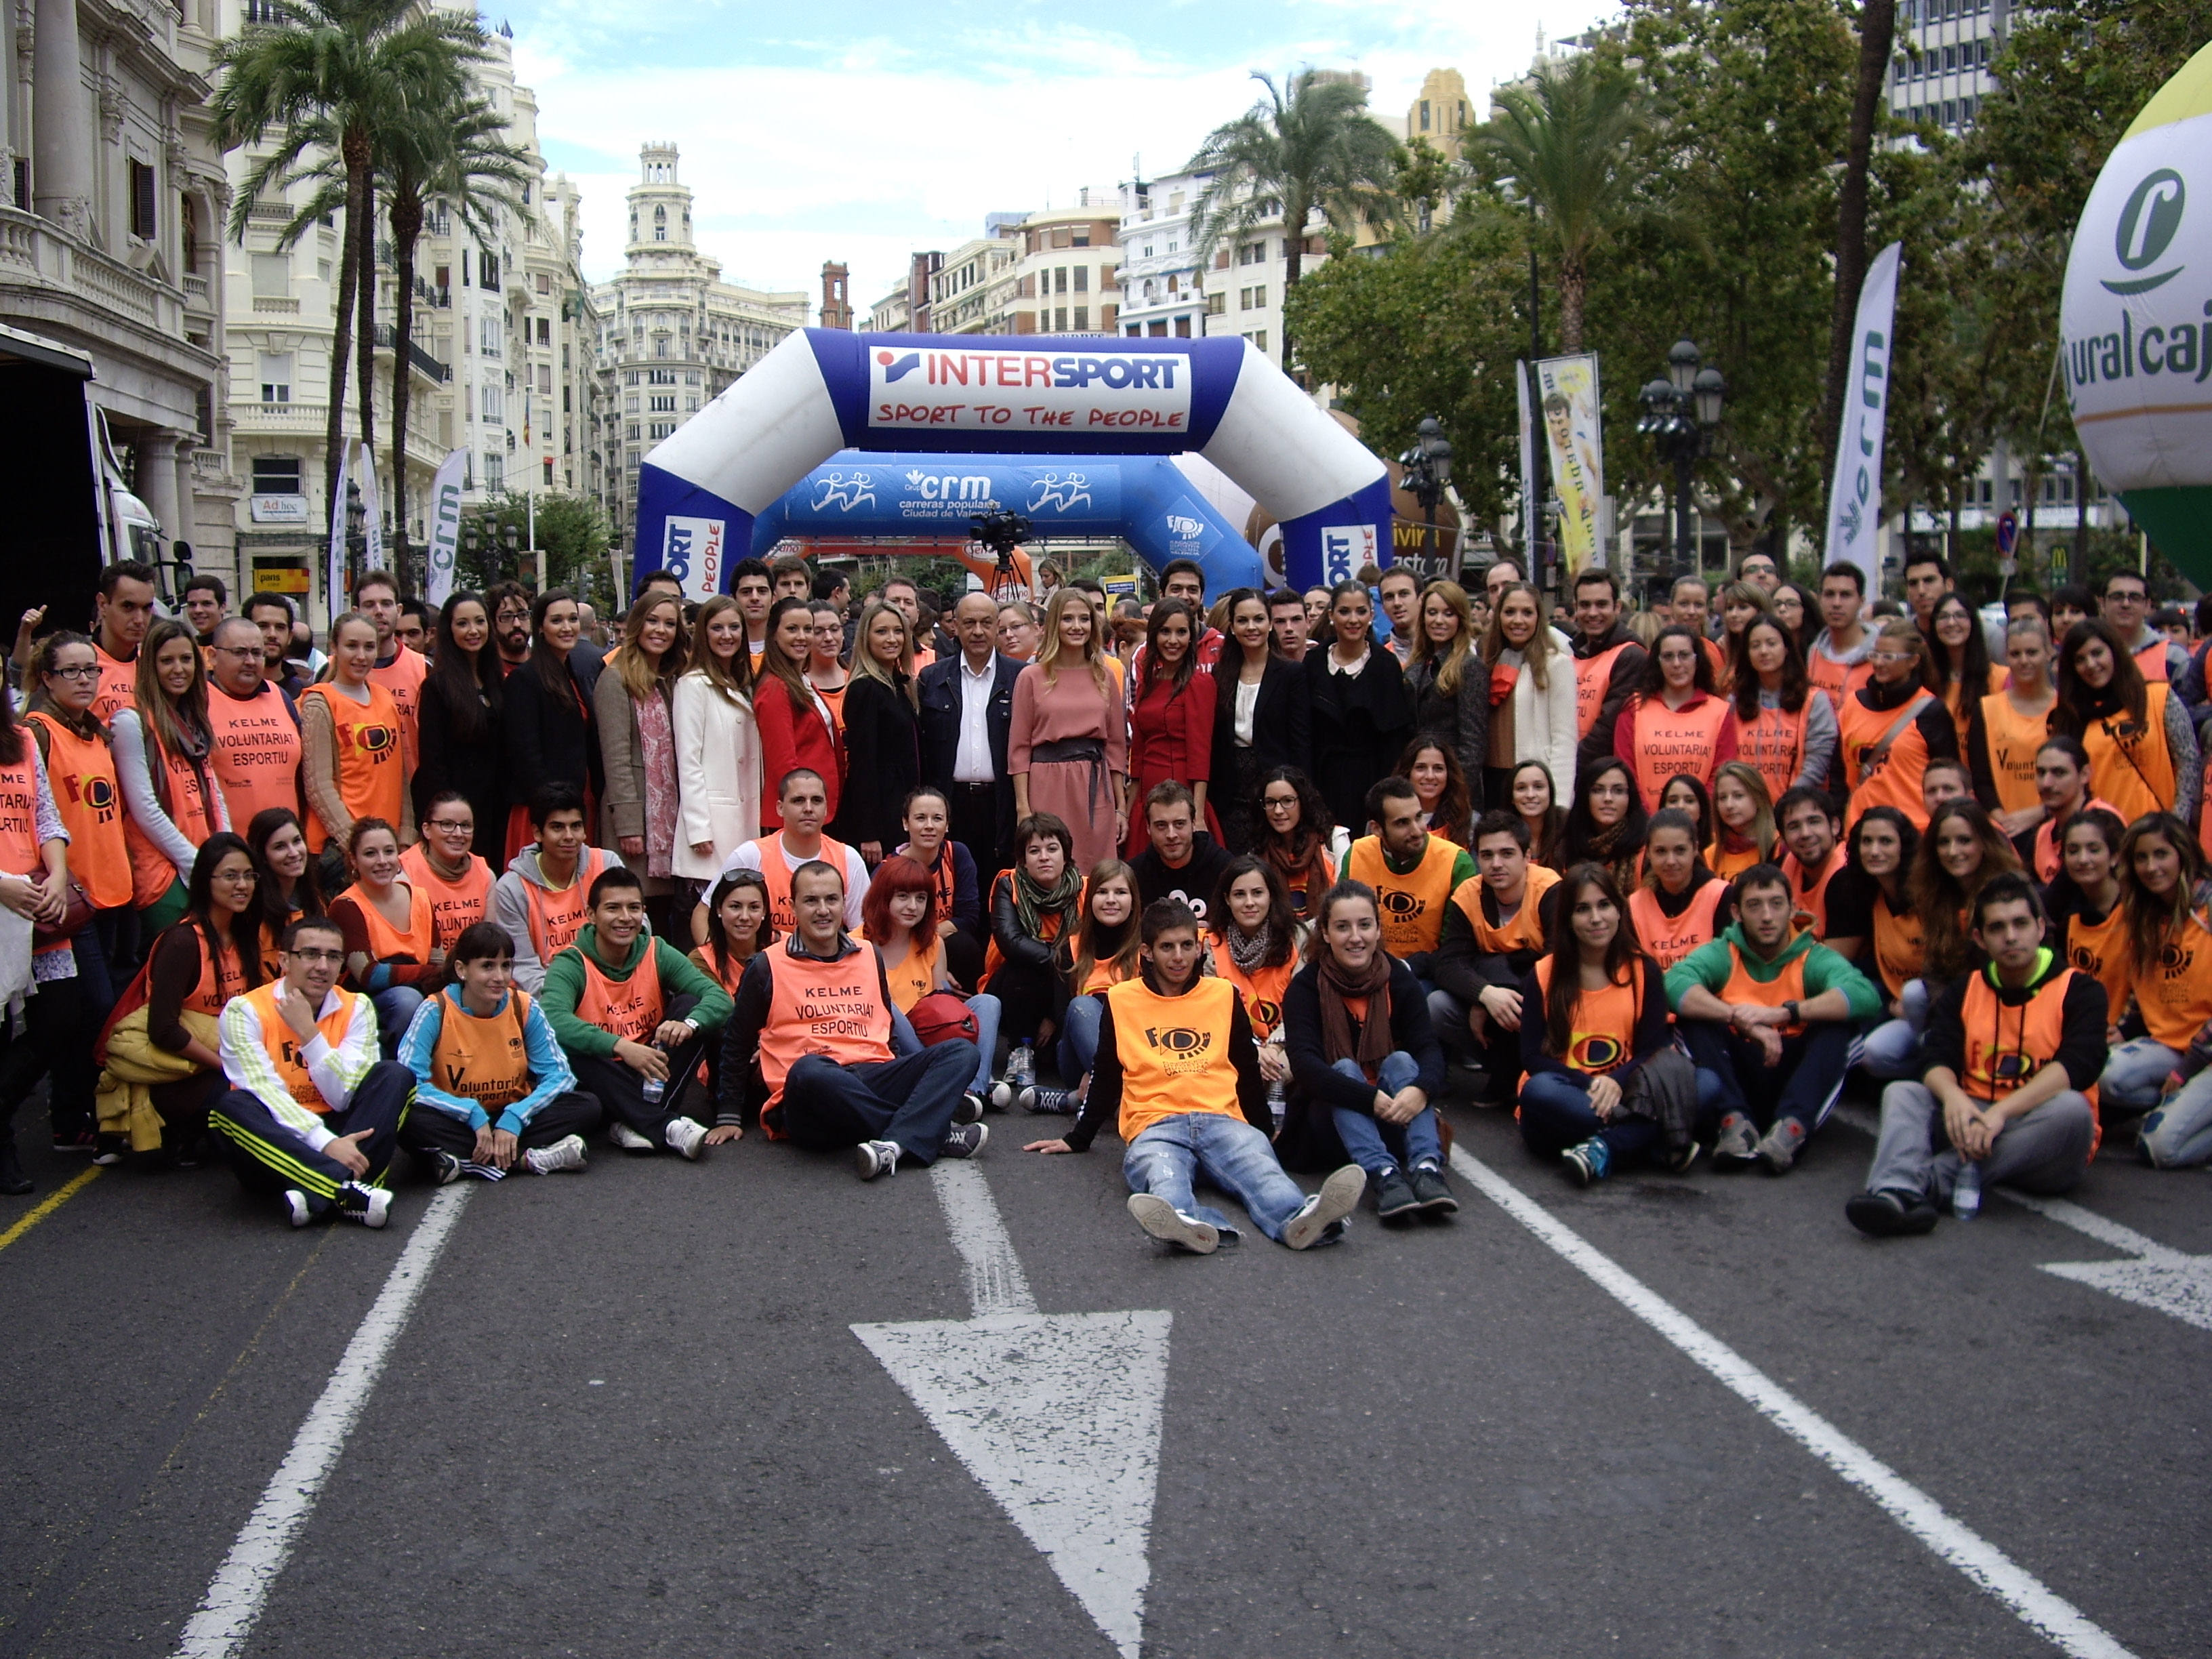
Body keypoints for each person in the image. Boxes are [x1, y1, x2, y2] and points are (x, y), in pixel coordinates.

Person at [1027, 897, 1366, 1252]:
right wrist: (1078, 1138)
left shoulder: (1222, 994)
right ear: (1146, 951)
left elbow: (1246, 1070)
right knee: (1161, 1177)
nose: (1179, 957)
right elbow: (1107, 1074)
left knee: (1262, 1170)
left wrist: (1264, 1132)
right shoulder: (1121, 999)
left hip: (1223, 1119)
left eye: (1187, 945)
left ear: (1199, 945)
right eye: (1167, 947)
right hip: (1154, 1125)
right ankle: (1189, 1224)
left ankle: (1301, 1219)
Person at [1847, 874, 2102, 1233]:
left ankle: (1928, 1184)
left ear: (2041, 928)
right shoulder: (1966, 989)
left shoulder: (2080, 989)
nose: (2010, 936)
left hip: (2041, 1135)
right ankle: (1895, 1191)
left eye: (2020, 924)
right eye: (1997, 928)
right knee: (1904, 1092)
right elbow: (1934, 1057)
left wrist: (2000, 1114)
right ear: (1980, 939)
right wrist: (1953, 1099)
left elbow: (2079, 1065)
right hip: (1973, 1117)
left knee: (2073, 1110)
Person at [722, 858, 984, 1176]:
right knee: (810, 1071)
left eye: (832, 900)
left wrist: (901, 1071)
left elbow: (886, 1028)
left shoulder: (868, 954)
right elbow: (737, 1039)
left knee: (961, 1052)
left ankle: (898, 1139)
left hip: (872, 1076)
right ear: (792, 907)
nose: (823, 910)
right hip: (812, 1095)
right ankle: (929, 1132)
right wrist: (728, 1115)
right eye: (811, 901)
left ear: (845, 903)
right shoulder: (766, 965)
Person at [1668, 863, 1881, 1172]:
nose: (1767, 916)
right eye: (1754, 906)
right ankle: (1733, 1122)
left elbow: (1865, 996)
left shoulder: (1812, 956)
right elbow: (1675, 984)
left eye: (1776, 904)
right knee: (1693, 1020)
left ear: (1793, 908)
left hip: (1795, 1075)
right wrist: (1737, 1018)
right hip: (1741, 1072)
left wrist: (1785, 1012)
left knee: (1842, 1026)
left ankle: (1791, 1128)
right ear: (1737, 913)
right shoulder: (1724, 951)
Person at [209, 915, 414, 1228]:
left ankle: (318, 1195)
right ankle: (348, 1188)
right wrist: (324, 1144)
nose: (322, 966)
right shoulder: (244, 1011)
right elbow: (265, 1092)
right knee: (230, 1107)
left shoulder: (357, 1006)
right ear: (284, 961)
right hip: (277, 1146)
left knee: (395, 1075)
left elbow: (344, 1096)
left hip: (340, 1130)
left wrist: (309, 1034)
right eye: (310, 954)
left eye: (333, 957)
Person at [1278, 880, 1452, 1219]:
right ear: (1325, 934)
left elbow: (1429, 1049)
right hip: (1330, 1123)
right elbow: (1305, 1066)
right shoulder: (1305, 987)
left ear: (1377, 930)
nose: (1355, 937)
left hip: (1395, 1114)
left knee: (1403, 1061)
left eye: (1364, 925)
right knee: (1342, 1068)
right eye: (1342, 927)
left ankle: (1427, 1167)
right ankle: (1384, 1176)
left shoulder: (1399, 979)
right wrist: (1365, 1098)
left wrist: (1420, 1090)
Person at [1520, 862, 1694, 1185]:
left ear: (1619, 911)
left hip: (1630, 1092)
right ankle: (1651, 1139)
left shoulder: (1645, 970)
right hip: (1571, 1097)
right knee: (1537, 1091)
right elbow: (1531, 1056)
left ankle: (1607, 1147)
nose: (1596, 918)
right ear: (1568, 920)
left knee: (1706, 1084)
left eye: (1604, 906)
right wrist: (1590, 1084)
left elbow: (1654, 1048)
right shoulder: (1543, 973)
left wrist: (1616, 1081)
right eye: (1583, 909)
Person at [540, 865, 729, 1160]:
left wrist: (690, 1024)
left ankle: (632, 1120)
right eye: (613, 908)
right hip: (603, 1072)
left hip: (650, 1072)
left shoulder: (655, 949)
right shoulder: (571, 962)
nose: (625, 918)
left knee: (691, 1007)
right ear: (591, 914)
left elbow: (718, 998)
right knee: (571, 1047)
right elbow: (551, 1020)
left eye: (633, 908)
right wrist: (619, 1046)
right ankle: (662, 1125)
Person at [100, 835, 265, 1166]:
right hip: (177, 1074)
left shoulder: (246, 935)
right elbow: (163, 1030)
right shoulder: (183, 942)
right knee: (258, 1106)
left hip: (223, 1062)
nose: (243, 885)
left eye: (249, 876)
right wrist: (229, 1068)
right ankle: (181, 1130)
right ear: (205, 881)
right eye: (231, 876)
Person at [396, 920, 600, 1181]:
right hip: (458, 1118)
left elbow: (560, 1075)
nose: (500, 977)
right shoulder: (435, 1010)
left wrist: (516, 1117)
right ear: (462, 969)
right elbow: (410, 1082)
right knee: (405, 1117)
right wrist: (468, 1111)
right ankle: (527, 1160)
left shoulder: (524, 1006)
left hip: (513, 1115)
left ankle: (463, 1162)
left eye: (506, 966)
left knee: (588, 1106)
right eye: (487, 966)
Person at [26, 632, 134, 1052]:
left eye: (91, 669)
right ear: (47, 679)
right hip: (70, 899)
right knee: (87, 1011)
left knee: (98, 1012)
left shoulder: (96, 733)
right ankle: (69, 1111)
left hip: (114, 894)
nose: (85, 679)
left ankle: (85, 1106)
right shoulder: (36, 733)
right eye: (71, 671)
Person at [1431, 811, 1563, 1099]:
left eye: (1507, 853)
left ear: (1527, 856)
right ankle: (1503, 1071)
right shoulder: (1469, 894)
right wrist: (1485, 995)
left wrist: (1505, 990)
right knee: (1437, 1005)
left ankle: (1531, 1073)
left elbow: (1560, 961)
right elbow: (1449, 963)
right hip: (1496, 1001)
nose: (1496, 864)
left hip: (1541, 999)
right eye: (1487, 855)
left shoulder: (1550, 889)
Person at [2095, 812, 2212, 1128]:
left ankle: (2182, 1114)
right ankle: (2179, 1108)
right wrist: (2123, 1030)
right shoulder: (2143, 914)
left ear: (2183, 855)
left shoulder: (2207, 908)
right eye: (2141, 858)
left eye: (2161, 854)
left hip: (2206, 1051)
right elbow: (2144, 987)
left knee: (2161, 1150)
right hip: (2169, 1045)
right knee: (2101, 1074)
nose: (2151, 867)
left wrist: (2186, 1071)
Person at [113, 617, 230, 931]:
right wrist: (195, 863)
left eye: (186, 659)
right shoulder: (130, 721)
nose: (178, 669)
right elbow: (144, 808)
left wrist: (225, 851)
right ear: (150, 666)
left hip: (204, 863)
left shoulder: (193, 719)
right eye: (166, 661)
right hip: (165, 873)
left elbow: (213, 791)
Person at [863, 853, 1002, 1110]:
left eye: (921, 898)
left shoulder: (933, 943)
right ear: (883, 898)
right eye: (902, 896)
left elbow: (941, 1006)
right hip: (890, 1048)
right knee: (889, 1006)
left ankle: (974, 1092)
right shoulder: (858, 944)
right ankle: (949, 1086)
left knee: (988, 1002)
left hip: (927, 1037)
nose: (912, 906)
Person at [1004, 857, 1142, 1115]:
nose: (1111, 899)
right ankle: (1119, 1090)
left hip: (1132, 1053)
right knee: (1081, 1006)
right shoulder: (1071, 945)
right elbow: (1061, 1012)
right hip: (1076, 1055)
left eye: (1120, 892)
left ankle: (1073, 1100)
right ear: (1089, 900)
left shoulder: (1145, 948)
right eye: (1102, 892)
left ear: (1133, 901)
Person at [1009, 588, 1128, 878]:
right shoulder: (1031, 677)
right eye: (1068, 619)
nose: (1077, 627)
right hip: (1046, 785)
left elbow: (1115, 746)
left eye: (1084, 619)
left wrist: (1121, 808)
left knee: (1096, 872)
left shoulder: (1105, 675)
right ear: (1054, 625)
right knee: (1048, 869)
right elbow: (1019, 749)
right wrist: (1023, 809)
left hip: (1095, 788)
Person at [592, 588, 687, 933]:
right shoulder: (614, 679)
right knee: (634, 911)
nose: (660, 630)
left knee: (666, 914)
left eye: (669, 624)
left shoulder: (674, 679)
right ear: (637, 625)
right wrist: (629, 825)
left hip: (671, 816)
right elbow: (615, 757)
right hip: (635, 815)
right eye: (652, 621)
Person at [2053, 617, 2198, 831]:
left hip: (2162, 835)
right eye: (2080, 659)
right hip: (2105, 844)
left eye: (2097, 653)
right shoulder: (2069, 717)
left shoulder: (2158, 697)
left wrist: (2178, 823)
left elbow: (2188, 761)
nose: (2091, 665)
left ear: (2115, 652)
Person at [919, 590, 1024, 884]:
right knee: (953, 885)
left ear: (997, 625)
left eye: (986, 623)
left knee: (1000, 885)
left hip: (1002, 803)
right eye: (969, 623)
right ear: (955, 626)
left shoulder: (1022, 677)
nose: (978, 631)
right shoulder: (932, 678)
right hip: (951, 803)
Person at [671, 594, 762, 915]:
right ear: (703, 634)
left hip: (745, 819)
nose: (727, 636)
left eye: (734, 627)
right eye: (717, 628)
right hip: (712, 826)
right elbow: (688, 760)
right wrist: (698, 829)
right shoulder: (693, 685)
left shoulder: (744, 684)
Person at [299, 610, 407, 878]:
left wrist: (406, 833)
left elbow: (399, 774)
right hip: (340, 849)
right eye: (352, 646)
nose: (361, 656)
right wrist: (356, 845)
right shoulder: (319, 703)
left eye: (369, 647)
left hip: (386, 845)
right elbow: (318, 786)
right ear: (334, 647)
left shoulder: (384, 697)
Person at [1343, 773, 1475, 990]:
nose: (1417, 830)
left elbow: (1457, 949)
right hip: (1365, 970)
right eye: (1403, 823)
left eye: (1419, 817)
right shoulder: (1357, 854)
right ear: (1377, 829)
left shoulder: (1456, 862)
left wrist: (1406, 967)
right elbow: (1343, 926)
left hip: (1431, 976)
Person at [1306, 579, 1413, 837]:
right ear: (1331, 616)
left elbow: (1396, 738)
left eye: (1361, 611)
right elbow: (1304, 731)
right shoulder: (1313, 662)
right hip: (1322, 778)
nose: (1353, 620)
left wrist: (1385, 793)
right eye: (1344, 612)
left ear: (1372, 615)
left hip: (1371, 780)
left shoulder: (1386, 666)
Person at [493, 785, 625, 993]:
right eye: (557, 828)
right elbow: (523, 967)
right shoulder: (511, 888)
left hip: (613, 984)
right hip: (551, 997)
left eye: (576, 826)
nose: (569, 836)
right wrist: (569, 999)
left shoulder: (606, 864)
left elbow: (638, 928)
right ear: (537, 832)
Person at [501, 590, 602, 857]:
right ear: (541, 628)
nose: (567, 627)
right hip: (543, 810)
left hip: (579, 801)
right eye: (557, 621)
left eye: (573, 619)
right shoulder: (525, 680)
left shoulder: (575, 674)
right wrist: (551, 810)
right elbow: (525, 755)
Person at [326, 817, 437, 1060]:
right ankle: (400, 1073)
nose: (382, 861)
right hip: (366, 1000)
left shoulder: (420, 897)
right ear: (354, 860)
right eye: (370, 854)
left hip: (420, 987)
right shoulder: (346, 907)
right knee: (407, 1000)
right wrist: (428, 974)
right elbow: (369, 975)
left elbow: (439, 962)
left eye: (389, 851)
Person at [984, 812, 1085, 1073]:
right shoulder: (1008, 885)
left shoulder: (1088, 890)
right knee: (1026, 964)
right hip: (1011, 988)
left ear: (1066, 855)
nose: (1044, 857)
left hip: (1068, 988)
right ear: (1023, 860)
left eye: (1052, 849)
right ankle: (1020, 1050)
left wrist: (1053, 1016)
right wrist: (1063, 959)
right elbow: (1012, 942)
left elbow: (1091, 956)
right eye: (1034, 851)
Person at [1212, 588, 1311, 854]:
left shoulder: (1291, 673)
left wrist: (1299, 793)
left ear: (1269, 623)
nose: (1251, 627)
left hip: (1274, 783)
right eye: (1242, 621)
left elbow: (1300, 741)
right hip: (1230, 790)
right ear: (1231, 627)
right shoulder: (1220, 673)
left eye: (1259, 619)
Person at [1838, 617, 1957, 830]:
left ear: (1913, 661)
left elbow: (1948, 777)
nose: (1879, 663)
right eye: (1876, 655)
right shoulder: (1853, 704)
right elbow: (1838, 773)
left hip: (1915, 830)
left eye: (1889, 657)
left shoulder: (1931, 711)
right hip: (1860, 830)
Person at [413, 592, 506, 861]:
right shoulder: (437, 686)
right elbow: (433, 760)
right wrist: (448, 816)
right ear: (449, 629)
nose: (473, 630)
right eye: (462, 624)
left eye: (479, 621)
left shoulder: (495, 680)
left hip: (495, 806)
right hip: (457, 812)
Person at [1822, 806, 1923, 1051]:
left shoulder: (1927, 895)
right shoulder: (1869, 893)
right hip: (1893, 998)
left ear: (1904, 847)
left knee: (1914, 993)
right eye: (1867, 842)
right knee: (1872, 1052)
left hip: (1932, 1002)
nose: (1874, 851)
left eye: (1885, 841)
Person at [1207, 855, 1300, 1117]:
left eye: (1257, 893)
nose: (1249, 903)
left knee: (1286, 1064)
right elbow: (1211, 1011)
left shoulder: (1298, 940)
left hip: (1286, 1045)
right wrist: (1253, 1050)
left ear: (1271, 896)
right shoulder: (1210, 944)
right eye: (1239, 894)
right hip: (1234, 1046)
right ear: (1227, 899)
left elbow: (1303, 1007)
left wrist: (1273, 1048)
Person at [724, 768, 869, 936]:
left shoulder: (848, 859)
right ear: (780, 808)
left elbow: (863, 930)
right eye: (798, 800)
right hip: (762, 960)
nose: (808, 808)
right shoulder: (750, 855)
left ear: (826, 808)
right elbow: (706, 913)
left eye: (816, 800)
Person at [834, 600, 922, 867]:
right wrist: (868, 832)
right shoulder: (865, 689)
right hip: (881, 815)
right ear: (866, 637)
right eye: (882, 631)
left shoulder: (899, 685)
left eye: (898, 631)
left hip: (904, 806)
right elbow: (862, 764)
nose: (892, 639)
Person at [1615, 624, 1737, 813]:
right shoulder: (1634, 709)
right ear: (1657, 662)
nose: (1677, 664)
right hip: (1644, 827)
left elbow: (1721, 775)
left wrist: (1697, 815)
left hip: (1701, 829)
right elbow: (1626, 770)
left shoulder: (1720, 712)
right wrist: (1647, 819)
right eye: (1668, 656)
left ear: (1698, 660)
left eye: (1685, 655)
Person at [1481, 579, 1577, 809]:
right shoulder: (1486, 663)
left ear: (1539, 618)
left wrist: (1559, 803)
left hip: (1532, 784)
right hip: (1491, 782)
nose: (1518, 620)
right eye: (1510, 612)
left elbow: (1564, 740)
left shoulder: (1556, 664)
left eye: (1527, 613)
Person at [203, 617, 302, 833]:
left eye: (257, 653)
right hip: (228, 851)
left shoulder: (281, 698)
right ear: (213, 656)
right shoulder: (198, 703)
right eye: (239, 652)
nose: (250, 661)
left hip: (287, 850)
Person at [1969, 616, 2060, 836]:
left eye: (2032, 652)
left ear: (2049, 653)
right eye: (2015, 654)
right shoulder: (1987, 708)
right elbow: (1981, 779)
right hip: (2006, 829)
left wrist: (2041, 812)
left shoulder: (2066, 707)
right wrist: (2003, 820)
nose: (2024, 661)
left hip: (2056, 825)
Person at [1731, 614, 1834, 802]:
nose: (1763, 651)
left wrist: (1788, 803)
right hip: (1746, 812)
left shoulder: (1814, 700)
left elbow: (1818, 762)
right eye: (1755, 646)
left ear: (1786, 648)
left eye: (1771, 644)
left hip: (1799, 807)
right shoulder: (1733, 703)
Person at [893, 786, 983, 989]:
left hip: (945, 945)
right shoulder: (889, 870)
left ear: (947, 825)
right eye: (921, 818)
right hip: (904, 951)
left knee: (963, 945)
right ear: (906, 823)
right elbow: (885, 929)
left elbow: (969, 917)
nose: (929, 826)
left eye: (937, 818)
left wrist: (937, 955)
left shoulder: (957, 854)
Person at [2044, 806, 2129, 1021]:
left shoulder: (2135, 910)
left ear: (2114, 857)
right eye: (2073, 851)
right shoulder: (2067, 918)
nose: (2083, 859)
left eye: (2094, 849)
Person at [1568, 569, 1648, 784]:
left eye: (1601, 604)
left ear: (1618, 607)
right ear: (1575, 608)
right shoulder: (1572, 654)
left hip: (1604, 777)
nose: (1593, 613)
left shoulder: (1631, 656)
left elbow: (1607, 729)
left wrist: (1565, 767)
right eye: (1585, 605)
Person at [1627, 808, 1729, 970]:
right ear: (1648, 853)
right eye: (1661, 851)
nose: (1671, 861)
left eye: (1680, 850)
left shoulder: (1721, 895)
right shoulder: (1634, 905)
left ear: (1695, 849)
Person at [400, 790, 494, 956]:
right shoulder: (404, 872)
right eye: (447, 825)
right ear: (427, 830)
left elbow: (490, 942)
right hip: (424, 972)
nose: (458, 834)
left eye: (465, 826)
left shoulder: (485, 874)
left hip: (474, 973)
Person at [2007, 737, 2113, 882]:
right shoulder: (2040, 836)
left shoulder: (2105, 820)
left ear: (2085, 775)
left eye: (2059, 773)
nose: (2047, 783)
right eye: (2041, 773)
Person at [1129, 779, 1232, 926]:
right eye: (1161, 826)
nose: (1171, 835)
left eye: (1179, 824)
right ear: (1148, 828)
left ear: (1194, 824)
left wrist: (1216, 932)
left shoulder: (1225, 869)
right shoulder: (1134, 875)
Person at [1252, 765, 1345, 920]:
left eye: (1288, 801)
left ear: (1303, 802)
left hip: (1327, 936)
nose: (1278, 811)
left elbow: (1347, 899)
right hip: (1278, 938)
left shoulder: (1334, 840)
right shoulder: (1258, 849)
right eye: (1270, 802)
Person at [355, 571, 426, 767]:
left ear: (399, 610)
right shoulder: (334, 669)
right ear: (355, 612)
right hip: (357, 793)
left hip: (413, 791)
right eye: (369, 605)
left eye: (386, 604)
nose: (379, 611)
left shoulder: (424, 668)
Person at [1563, 756, 1648, 898]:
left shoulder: (1646, 851)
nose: (1608, 798)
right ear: (1585, 796)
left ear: (1630, 798)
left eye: (1618, 791)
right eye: (1598, 790)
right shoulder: (1565, 848)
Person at [1774, 785, 1848, 937]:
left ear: (1835, 826)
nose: (1805, 834)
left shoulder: (1849, 875)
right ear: (1782, 839)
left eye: (1814, 822)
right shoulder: (1781, 867)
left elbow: (1837, 959)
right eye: (1794, 827)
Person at [89, 560, 158, 723]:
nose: (139, 620)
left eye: (146, 608)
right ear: (103, 604)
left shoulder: (155, 667)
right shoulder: (75, 669)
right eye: (128, 607)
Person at [2100, 568, 2192, 687]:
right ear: (2102, 604)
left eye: (2135, 598)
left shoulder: (2173, 657)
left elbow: (2188, 704)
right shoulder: (2087, 652)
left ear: (2148, 606)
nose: (2126, 604)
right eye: (2117, 597)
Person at [1807, 560, 1875, 714]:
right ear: (1819, 599)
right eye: (1829, 594)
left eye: (1846, 595)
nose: (1836, 603)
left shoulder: (1879, 655)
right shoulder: (1813, 653)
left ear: (1861, 601)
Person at [1926, 592, 2002, 729]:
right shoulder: (1925, 678)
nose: (1951, 623)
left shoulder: (2001, 678)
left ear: (1973, 622)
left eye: (1960, 616)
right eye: (1943, 617)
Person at [1397, 737, 1474, 846]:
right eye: (1421, 768)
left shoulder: (1469, 820)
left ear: (1449, 774)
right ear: (1408, 773)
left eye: (1438, 769)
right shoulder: (1386, 818)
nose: (1430, 776)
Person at [1708, 762, 1777, 879]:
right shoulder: (1710, 855)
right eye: (1723, 798)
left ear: (1758, 798)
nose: (1729, 805)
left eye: (1738, 796)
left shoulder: (1778, 847)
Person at [1509, 759, 1569, 871]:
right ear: (1511, 797)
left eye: (1538, 787)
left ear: (1550, 792)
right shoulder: (1502, 833)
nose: (1530, 795)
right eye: (1521, 788)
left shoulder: (1570, 826)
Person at [246, 593, 308, 701]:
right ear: (245, 631)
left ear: (290, 637)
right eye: (263, 626)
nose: (272, 635)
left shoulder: (305, 694)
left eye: (280, 627)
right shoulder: (226, 691)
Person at [805, 600, 851, 729]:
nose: (828, 637)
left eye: (834, 629)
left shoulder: (856, 680)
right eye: (818, 632)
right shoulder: (798, 687)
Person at [731, 558, 775, 665]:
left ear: (773, 598)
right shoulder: (723, 647)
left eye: (762, 591)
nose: (755, 597)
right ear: (733, 599)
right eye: (746, 592)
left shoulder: (785, 646)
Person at [1901, 550, 1954, 632]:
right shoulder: (1899, 639)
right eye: (1913, 583)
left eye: (1929, 581)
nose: (1921, 591)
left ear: (1949, 585)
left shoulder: (1974, 634)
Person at [1376, 565, 1420, 663]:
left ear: (1421, 599)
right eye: (1389, 597)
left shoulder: (1442, 649)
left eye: (1404, 594)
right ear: (1383, 607)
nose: (1397, 603)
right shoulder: (1380, 661)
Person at [487, 580, 533, 674]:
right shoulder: (486, 672)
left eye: (523, 615)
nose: (517, 624)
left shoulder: (547, 666)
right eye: (507, 617)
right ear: (493, 623)